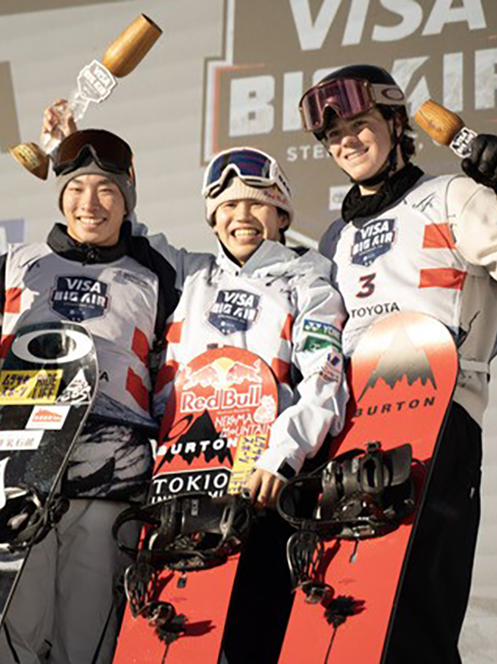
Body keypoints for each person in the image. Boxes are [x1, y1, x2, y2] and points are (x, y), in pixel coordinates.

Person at [299, 65, 497, 663]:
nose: (346, 141)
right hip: (350, 432)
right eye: (333, 135)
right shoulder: (332, 240)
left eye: (360, 124)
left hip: (436, 421)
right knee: (345, 621)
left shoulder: (452, 196)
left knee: (417, 619)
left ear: (395, 121)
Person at [0, 128, 180, 664]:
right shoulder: (11, 268)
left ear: (128, 198)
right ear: (60, 196)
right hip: (13, 481)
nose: (90, 203)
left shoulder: (158, 276)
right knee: (7, 644)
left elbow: (173, 385)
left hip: (108, 489)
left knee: (87, 647)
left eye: (107, 190)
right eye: (76, 189)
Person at [145, 146, 350, 664]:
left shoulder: (309, 279)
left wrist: (281, 456)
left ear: (282, 214)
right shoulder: (189, 276)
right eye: (229, 206)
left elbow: (325, 377)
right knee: (182, 639)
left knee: (256, 637)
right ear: (213, 218)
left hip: (264, 486)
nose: (243, 216)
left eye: (258, 204)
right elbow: (111, 230)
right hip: (184, 485)